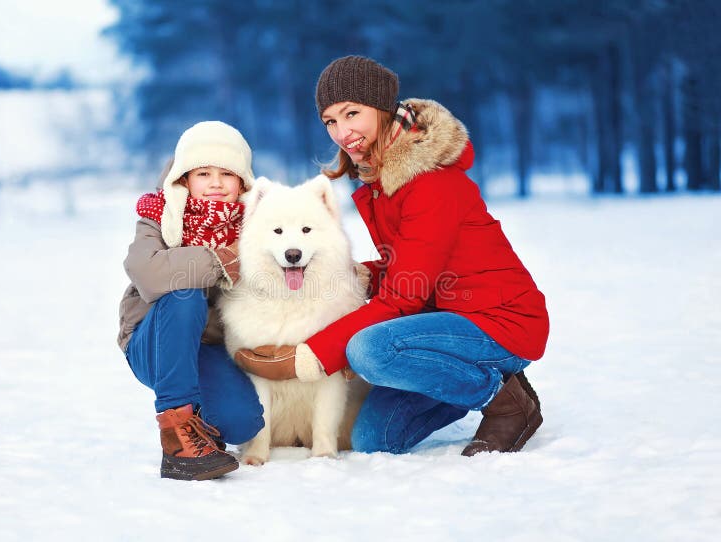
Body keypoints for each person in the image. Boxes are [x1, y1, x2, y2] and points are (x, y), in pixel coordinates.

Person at [234, 56, 549, 456]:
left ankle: (505, 401)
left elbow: (403, 296)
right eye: (330, 121)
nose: (342, 132)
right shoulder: (380, 182)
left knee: (370, 349)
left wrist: (310, 357)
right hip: (441, 323)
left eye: (352, 113)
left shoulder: (432, 182)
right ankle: (470, 378)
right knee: (374, 440)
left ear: (381, 109)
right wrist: (359, 275)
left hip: (499, 321)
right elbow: (415, 266)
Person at [118, 121, 264, 480]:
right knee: (184, 292)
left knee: (242, 424)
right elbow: (149, 273)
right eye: (204, 173)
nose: (215, 183)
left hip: (208, 347)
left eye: (226, 174)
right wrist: (223, 260)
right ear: (185, 179)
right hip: (152, 341)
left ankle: (203, 426)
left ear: (242, 182)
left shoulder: (258, 223)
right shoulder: (160, 215)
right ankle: (177, 436)